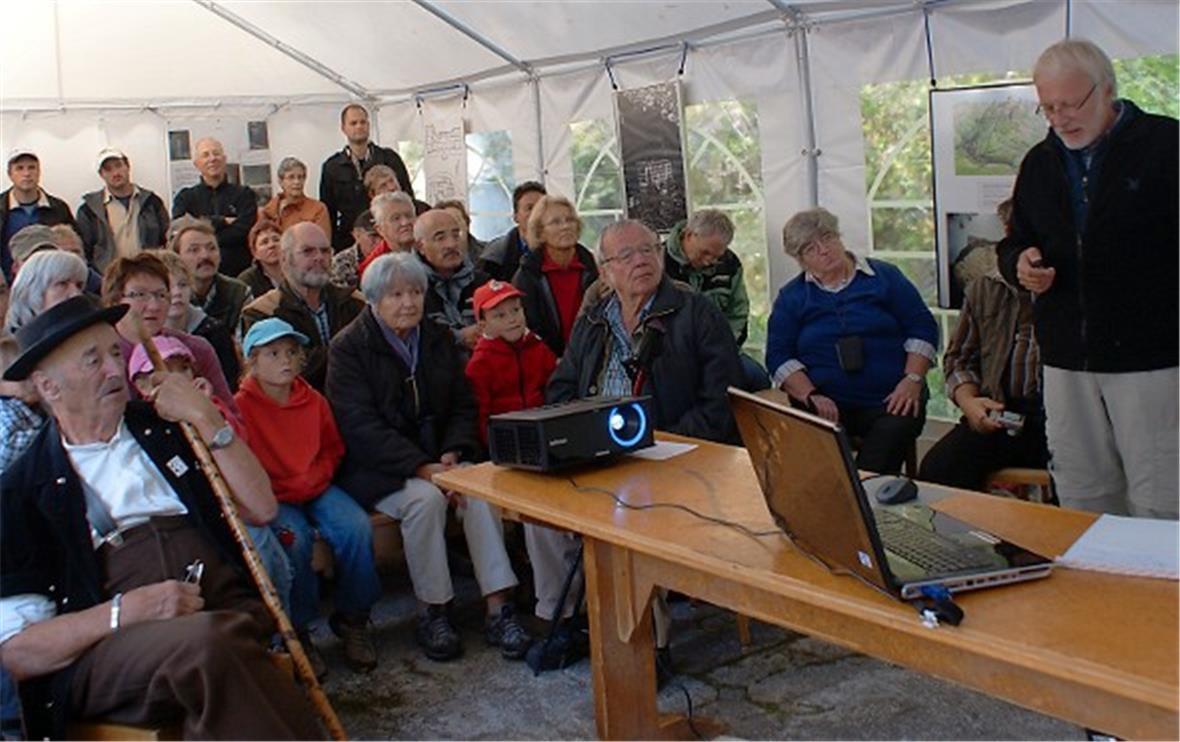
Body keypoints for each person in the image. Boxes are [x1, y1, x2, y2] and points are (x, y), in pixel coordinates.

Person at [0, 295, 322, 740]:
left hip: (220, 607)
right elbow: (21, 652)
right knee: (210, 645)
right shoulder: (22, 490)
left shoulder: (167, 428)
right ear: (49, 387)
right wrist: (123, 612)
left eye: (115, 352)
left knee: (215, 653)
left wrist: (207, 418)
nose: (115, 369)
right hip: (110, 650)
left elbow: (262, 508)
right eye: (93, 360)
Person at [997, 39, 1178, 519]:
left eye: (1070, 104)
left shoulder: (1167, 147)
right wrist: (1020, 263)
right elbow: (1013, 241)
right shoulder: (1039, 162)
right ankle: (1092, 593)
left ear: (1108, 91)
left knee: (1161, 496)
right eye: (1048, 107)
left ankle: (1159, 596)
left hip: (1152, 360)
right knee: (1081, 494)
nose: (1060, 119)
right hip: (1065, 359)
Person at [327, 252, 531, 663]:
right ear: (373, 300)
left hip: (442, 458)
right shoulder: (349, 348)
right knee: (425, 500)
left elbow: (462, 404)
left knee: (478, 492)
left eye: (416, 292)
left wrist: (453, 453)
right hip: (380, 470)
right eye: (397, 294)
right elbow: (359, 426)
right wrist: (425, 468)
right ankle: (433, 611)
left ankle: (498, 607)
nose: (409, 303)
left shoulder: (435, 338)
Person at [236, 318, 380, 675]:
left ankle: (353, 619)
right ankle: (299, 630)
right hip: (276, 495)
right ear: (252, 361)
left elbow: (332, 448)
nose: (285, 360)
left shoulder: (312, 399)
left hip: (316, 486)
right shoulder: (242, 406)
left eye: (291, 352)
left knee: (356, 527)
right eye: (272, 353)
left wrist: (318, 476)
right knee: (294, 540)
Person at [125, 334, 292, 620]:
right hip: (197, 520)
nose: (176, 379)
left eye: (182, 369)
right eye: (163, 372)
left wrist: (208, 413)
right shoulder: (143, 427)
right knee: (255, 553)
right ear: (141, 384)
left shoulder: (209, 406)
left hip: (239, 504)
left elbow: (240, 450)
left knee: (278, 555)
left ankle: (285, 628)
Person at [766, 207, 938, 475]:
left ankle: (866, 501)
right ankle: (839, 500)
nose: (824, 250)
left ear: (839, 236)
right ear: (800, 260)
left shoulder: (885, 277)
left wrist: (912, 380)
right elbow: (778, 355)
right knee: (822, 458)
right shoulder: (792, 297)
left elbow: (922, 327)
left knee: (887, 441)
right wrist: (811, 395)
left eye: (827, 237)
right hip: (825, 402)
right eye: (811, 249)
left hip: (893, 398)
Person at [549, 219, 743, 441]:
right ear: (604, 272)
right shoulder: (592, 321)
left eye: (647, 250)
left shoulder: (697, 314)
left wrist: (664, 442)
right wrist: (583, 440)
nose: (641, 260)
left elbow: (722, 400)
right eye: (626, 255)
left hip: (674, 453)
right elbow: (561, 392)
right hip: (598, 453)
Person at [920, 200, 1048, 492]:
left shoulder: (1069, 288)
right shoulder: (984, 287)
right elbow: (958, 359)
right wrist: (969, 402)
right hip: (1002, 413)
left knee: (1079, 488)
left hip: (1064, 422)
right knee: (938, 471)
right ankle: (977, 536)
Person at [101, 252, 239, 416]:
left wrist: (207, 408)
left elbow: (234, 419)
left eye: (161, 295)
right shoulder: (101, 358)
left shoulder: (196, 349)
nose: (153, 306)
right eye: (139, 295)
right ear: (115, 301)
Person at [241, 222, 364, 391]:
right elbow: (285, 371)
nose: (319, 257)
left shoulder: (356, 302)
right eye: (308, 251)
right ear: (284, 259)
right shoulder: (262, 312)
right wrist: (347, 351)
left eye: (325, 250)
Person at [664, 209, 768, 390]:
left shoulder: (730, 264)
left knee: (758, 379)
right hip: (671, 356)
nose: (709, 262)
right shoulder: (657, 263)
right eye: (705, 253)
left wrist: (723, 349)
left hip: (719, 350)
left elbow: (738, 313)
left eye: (716, 256)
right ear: (688, 235)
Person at [511, 195, 598, 358]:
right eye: (555, 222)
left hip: (592, 357)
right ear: (540, 233)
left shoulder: (595, 268)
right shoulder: (528, 275)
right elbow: (528, 329)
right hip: (546, 363)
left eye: (570, 220)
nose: (565, 226)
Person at [321, 104, 415, 249]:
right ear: (343, 128)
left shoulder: (389, 158)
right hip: (349, 240)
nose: (359, 126)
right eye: (353, 123)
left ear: (368, 125)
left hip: (389, 236)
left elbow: (407, 196)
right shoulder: (332, 167)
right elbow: (328, 211)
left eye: (363, 122)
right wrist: (332, 245)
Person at [153, 249, 241, 391]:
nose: (177, 293)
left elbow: (229, 388)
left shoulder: (215, 332)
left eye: (183, 284)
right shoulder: (141, 337)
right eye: (168, 286)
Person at [171, 137, 258, 276]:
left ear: (224, 159)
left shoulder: (244, 194)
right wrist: (221, 221)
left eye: (216, 153)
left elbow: (243, 231)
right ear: (196, 164)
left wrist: (200, 236)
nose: (212, 159)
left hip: (239, 273)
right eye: (205, 155)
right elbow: (180, 230)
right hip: (196, 274)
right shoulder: (185, 197)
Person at [75, 148, 169, 270]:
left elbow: (166, 239)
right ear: (101, 174)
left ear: (128, 166)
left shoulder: (152, 202)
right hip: (108, 278)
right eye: (108, 169)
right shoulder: (88, 210)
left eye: (118, 166)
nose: (115, 173)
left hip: (149, 274)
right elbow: (84, 250)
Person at [415, 209, 490, 353]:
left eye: (456, 235)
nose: (451, 244)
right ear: (420, 247)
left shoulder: (482, 283)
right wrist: (457, 337)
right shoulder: (411, 288)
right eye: (440, 238)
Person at [0, 149, 76, 281]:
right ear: (10, 174)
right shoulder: (2, 208)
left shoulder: (58, 209)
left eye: (32, 168)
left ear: (39, 172)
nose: (26, 173)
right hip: (8, 287)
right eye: (20, 168)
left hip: (50, 284)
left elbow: (74, 248)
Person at [169, 215, 252, 334]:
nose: (205, 256)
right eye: (194, 250)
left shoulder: (239, 293)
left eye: (212, 248)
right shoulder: (168, 295)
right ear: (177, 257)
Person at [5, 249, 87, 334]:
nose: (76, 294)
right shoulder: (9, 345)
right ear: (33, 290)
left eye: (79, 286)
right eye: (62, 284)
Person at [479, 181, 546, 281]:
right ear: (516, 216)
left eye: (541, 208)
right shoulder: (495, 256)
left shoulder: (564, 248)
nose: (536, 214)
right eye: (530, 208)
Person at [259, 157, 332, 238]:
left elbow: (323, 242)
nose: (297, 182)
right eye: (291, 177)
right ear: (281, 181)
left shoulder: (317, 209)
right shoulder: (268, 212)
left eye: (300, 177)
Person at [358, 191, 417, 280]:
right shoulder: (373, 269)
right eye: (396, 218)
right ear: (380, 229)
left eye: (409, 216)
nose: (405, 222)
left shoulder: (430, 248)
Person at [330, 210, 379, 290]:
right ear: (357, 235)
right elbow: (343, 295)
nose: (379, 242)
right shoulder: (342, 261)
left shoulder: (392, 256)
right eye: (373, 236)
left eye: (382, 236)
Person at [237, 218, 285, 298]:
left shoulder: (298, 270)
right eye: (264, 242)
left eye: (276, 240)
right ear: (255, 253)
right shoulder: (246, 280)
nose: (272, 245)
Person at [435, 199, 486, 264]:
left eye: (456, 220)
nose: (452, 226)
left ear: (467, 224)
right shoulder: (429, 257)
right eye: (443, 223)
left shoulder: (488, 253)